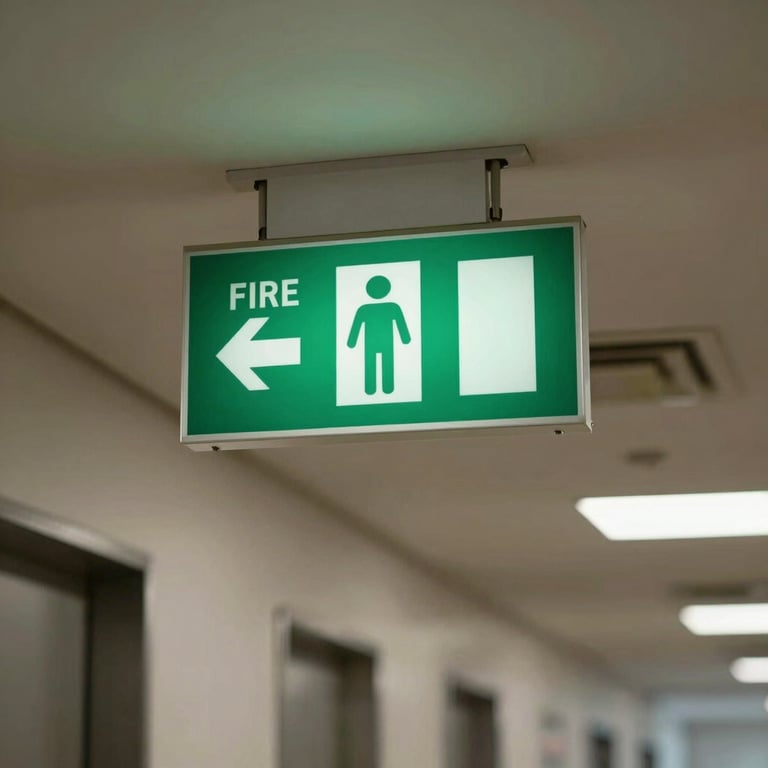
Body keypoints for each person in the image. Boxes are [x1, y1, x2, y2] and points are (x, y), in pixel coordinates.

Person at [347, 275, 411, 395]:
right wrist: (405, 339)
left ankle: (373, 389)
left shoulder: (365, 309)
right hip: (384, 343)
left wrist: (352, 342)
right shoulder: (391, 307)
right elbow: (356, 325)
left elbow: (356, 326)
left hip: (372, 343)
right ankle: (386, 388)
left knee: (375, 363)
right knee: (384, 362)